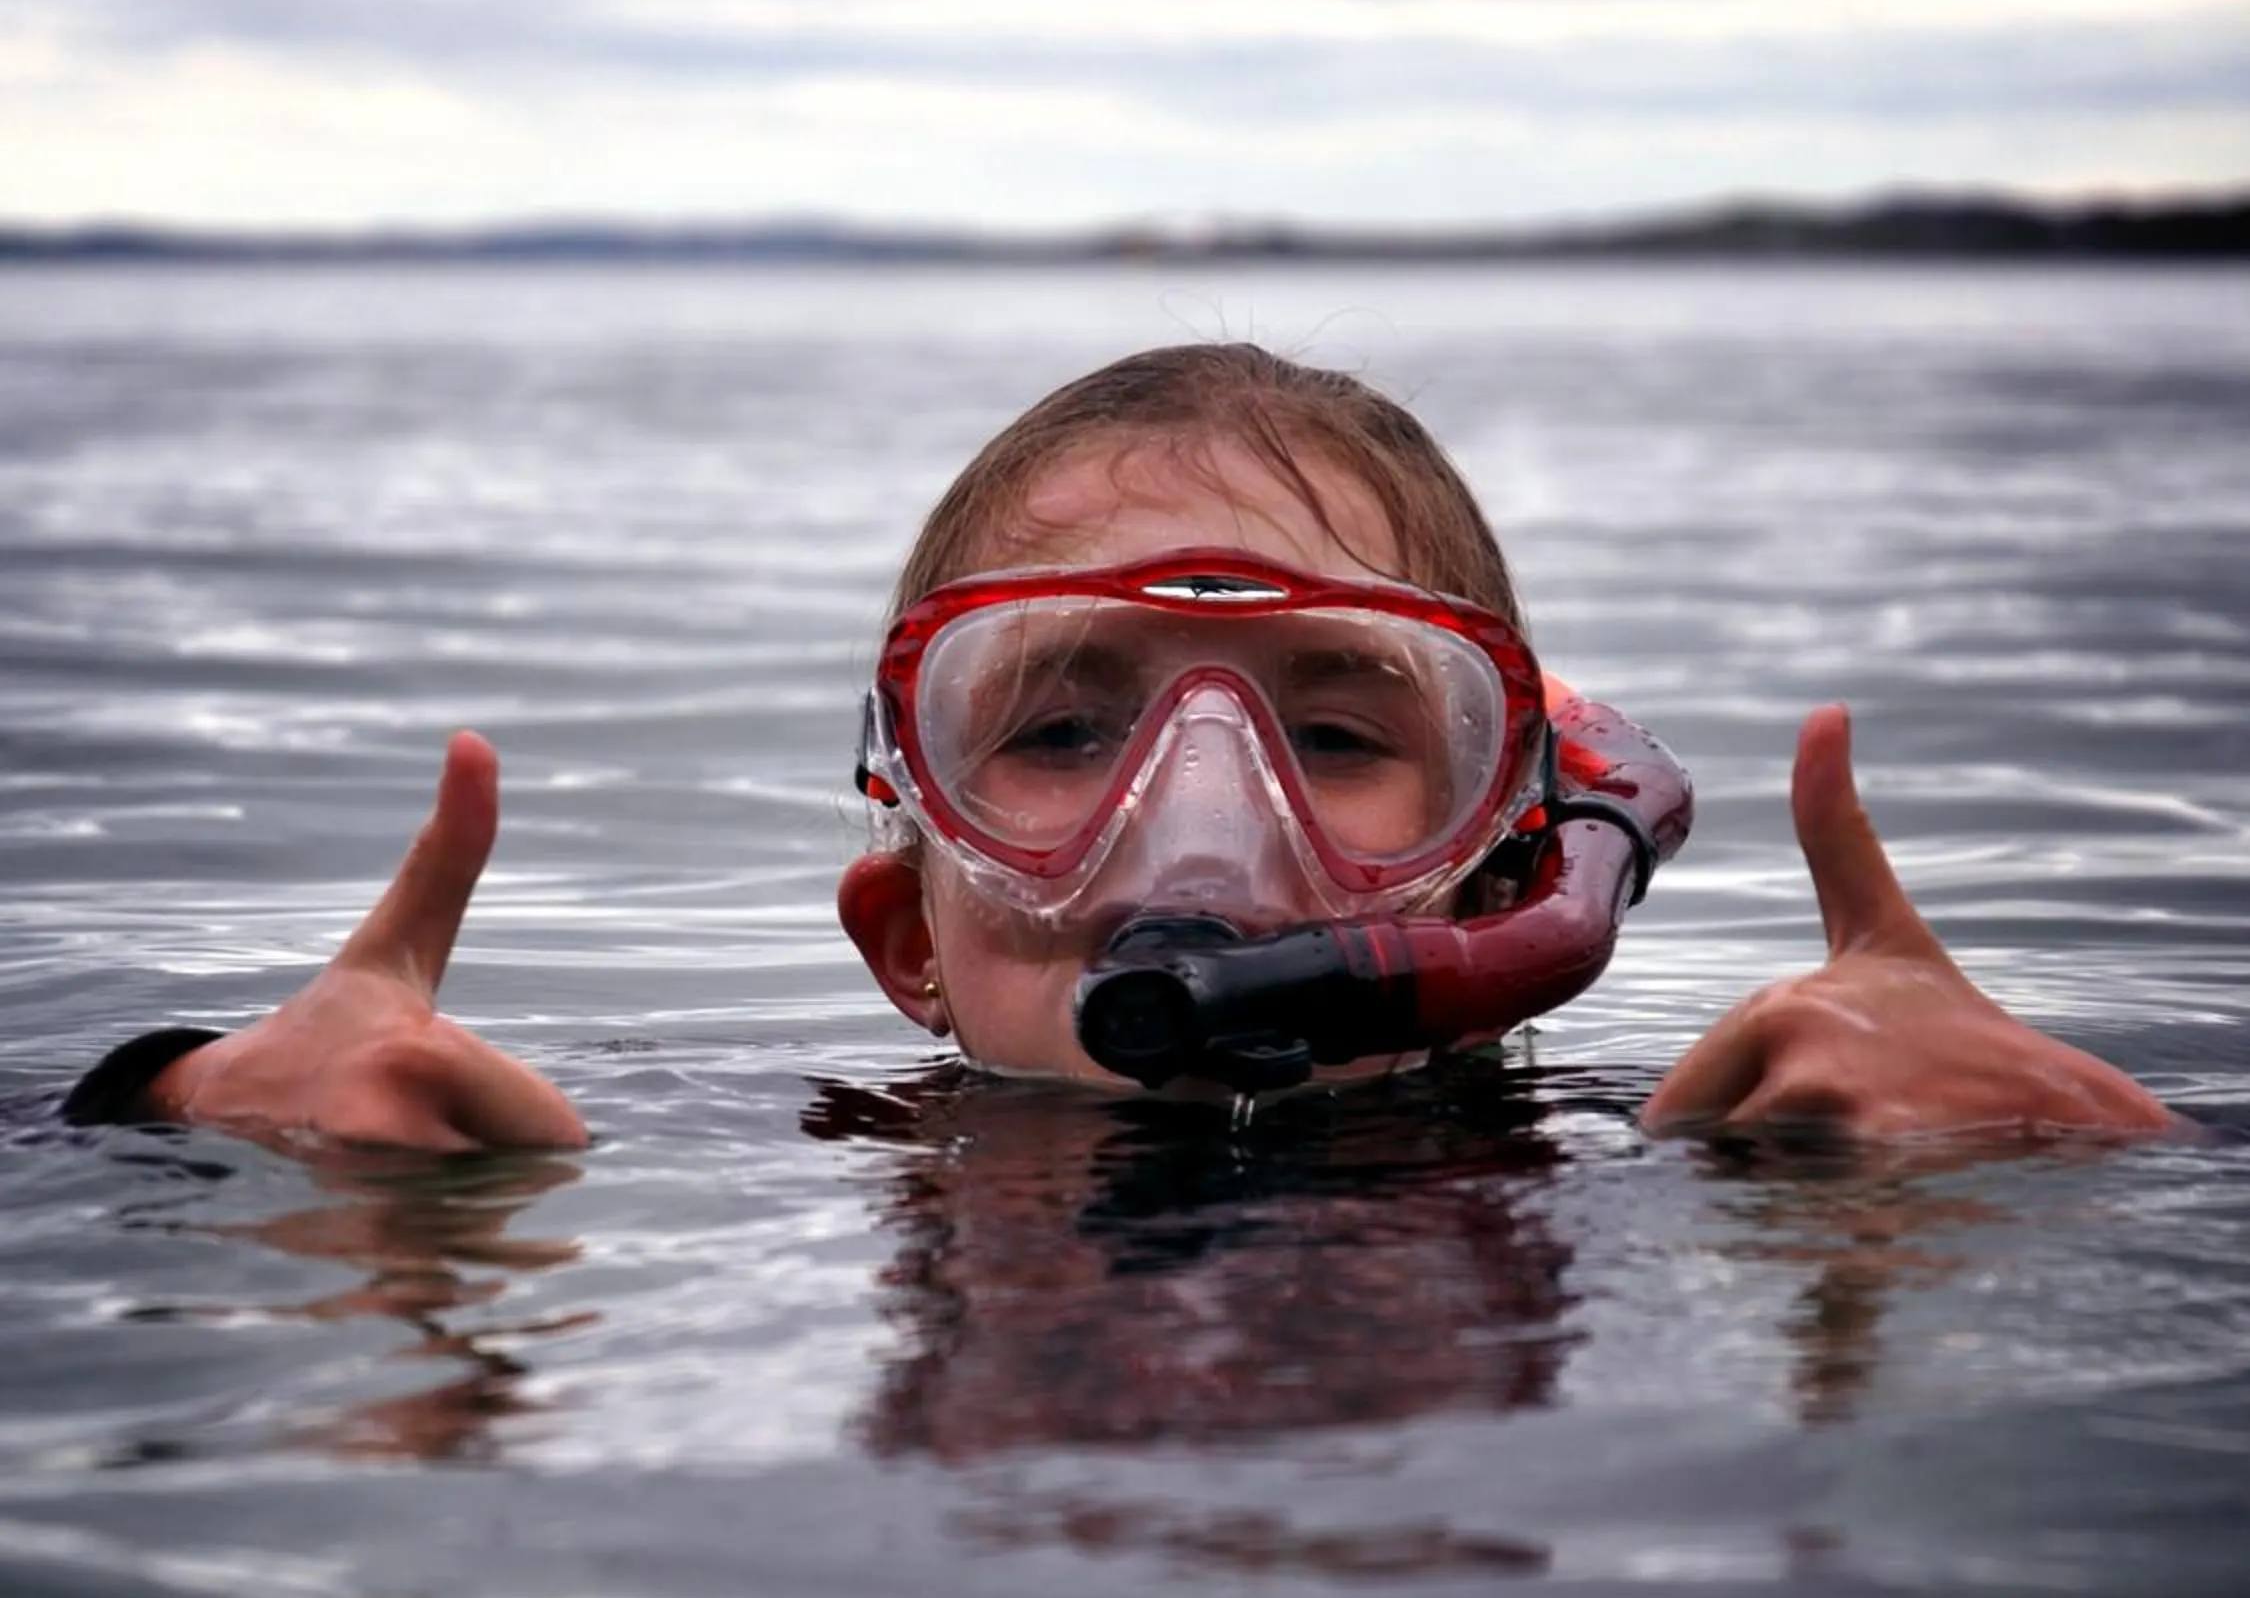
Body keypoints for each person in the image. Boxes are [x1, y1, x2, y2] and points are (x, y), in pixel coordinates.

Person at [62, 343, 2173, 1148]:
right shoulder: (768, 1153)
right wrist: (197, 1109)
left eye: (1343, 729)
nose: (1204, 822)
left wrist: (2055, 1159)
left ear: (1523, 864)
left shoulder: (1709, 1155)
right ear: (912, 938)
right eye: (1059, 724)